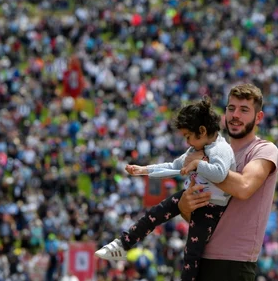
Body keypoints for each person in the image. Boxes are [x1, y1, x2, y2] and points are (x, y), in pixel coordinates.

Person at [95, 96, 236, 281]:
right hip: (191, 196)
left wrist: (196, 164)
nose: (187, 143)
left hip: (210, 208)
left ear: (202, 131)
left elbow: (220, 174)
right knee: (155, 213)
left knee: (191, 255)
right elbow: (173, 167)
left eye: (188, 137)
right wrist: (144, 170)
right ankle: (123, 244)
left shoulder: (222, 149)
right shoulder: (195, 150)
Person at [178, 83, 278, 281]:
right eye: (231, 108)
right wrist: (184, 206)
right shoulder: (213, 152)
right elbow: (197, 216)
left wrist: (202, 165)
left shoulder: (264, 150)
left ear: (258, 117)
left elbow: (243, 187)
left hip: (234, 263)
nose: (235, 115)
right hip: (200, 256)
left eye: (244, 110)